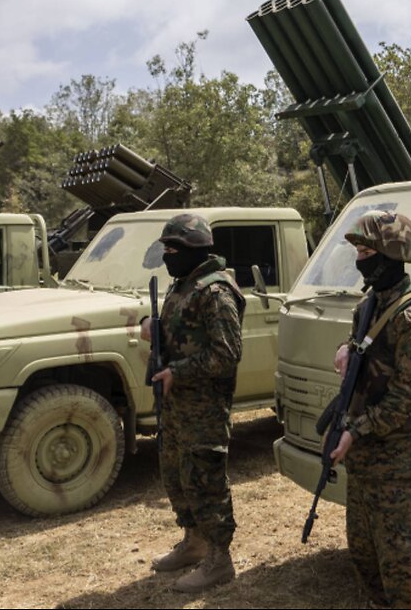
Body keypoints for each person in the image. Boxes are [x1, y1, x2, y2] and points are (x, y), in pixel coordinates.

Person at [326, 210, 411, 609]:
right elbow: (365, 348)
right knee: (366, 559)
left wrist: (356, 431)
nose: (360, 259)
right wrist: (348, 348)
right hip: (366, 463)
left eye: (367, 250)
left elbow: (406, 398)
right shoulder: (369, 305)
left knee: (408, 571)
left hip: (402, 463)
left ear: (392, 254)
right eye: (358, 251)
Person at [143, 213, 246, 593]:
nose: (168, 255)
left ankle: (219, 559)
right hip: (176, 408)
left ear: (194, 249)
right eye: (166, 248)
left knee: (206, 481)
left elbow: (227, 354)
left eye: (173, 248)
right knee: (176, 475)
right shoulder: (183, 285)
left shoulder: (215, 292)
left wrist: (178, 372)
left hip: (203, 408)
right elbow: (180, 329)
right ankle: (194, 542)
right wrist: (150, 325)